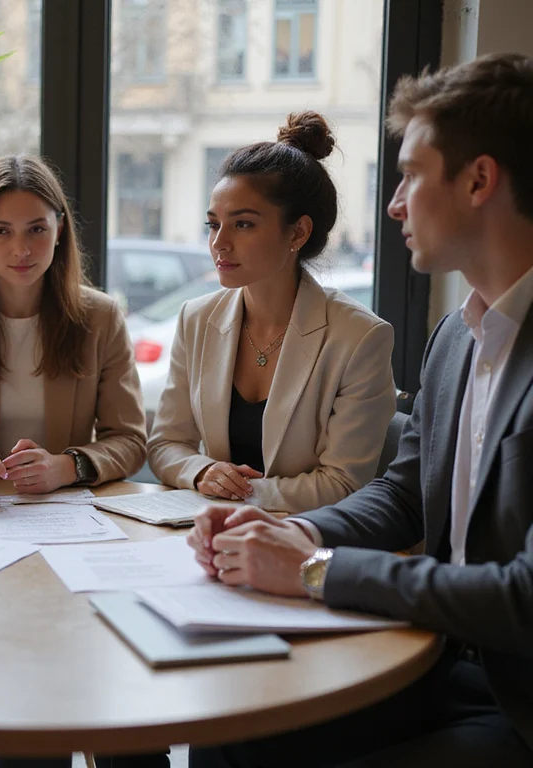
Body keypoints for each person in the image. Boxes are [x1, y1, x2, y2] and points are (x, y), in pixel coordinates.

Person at [187, 53, 533, 767]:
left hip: (522, 706)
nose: (394, 204)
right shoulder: (455, 340)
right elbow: (403, 496)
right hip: (435, 659)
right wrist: (287, 528)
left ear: (479, 180)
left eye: (410, 175)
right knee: (224, 730)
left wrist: (314, 569)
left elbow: (523, 598)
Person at [148, 111, 396, 513]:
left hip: (303, 544)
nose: (219, 244)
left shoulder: (359, 337)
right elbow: (165, 444)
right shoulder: (195, 319)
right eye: (214, 225)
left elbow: (345, 482)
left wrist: (238, 495)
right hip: (207, 537)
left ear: (298, 232)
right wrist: (201, 472)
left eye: (243, 225)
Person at [0, 154, 147, 498]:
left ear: (59, 230)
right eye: (1, 231)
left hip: (62, 507)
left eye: (37, 230)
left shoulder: (101, 316)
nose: (21, 250)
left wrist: (66, 467)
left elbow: (130, 439)